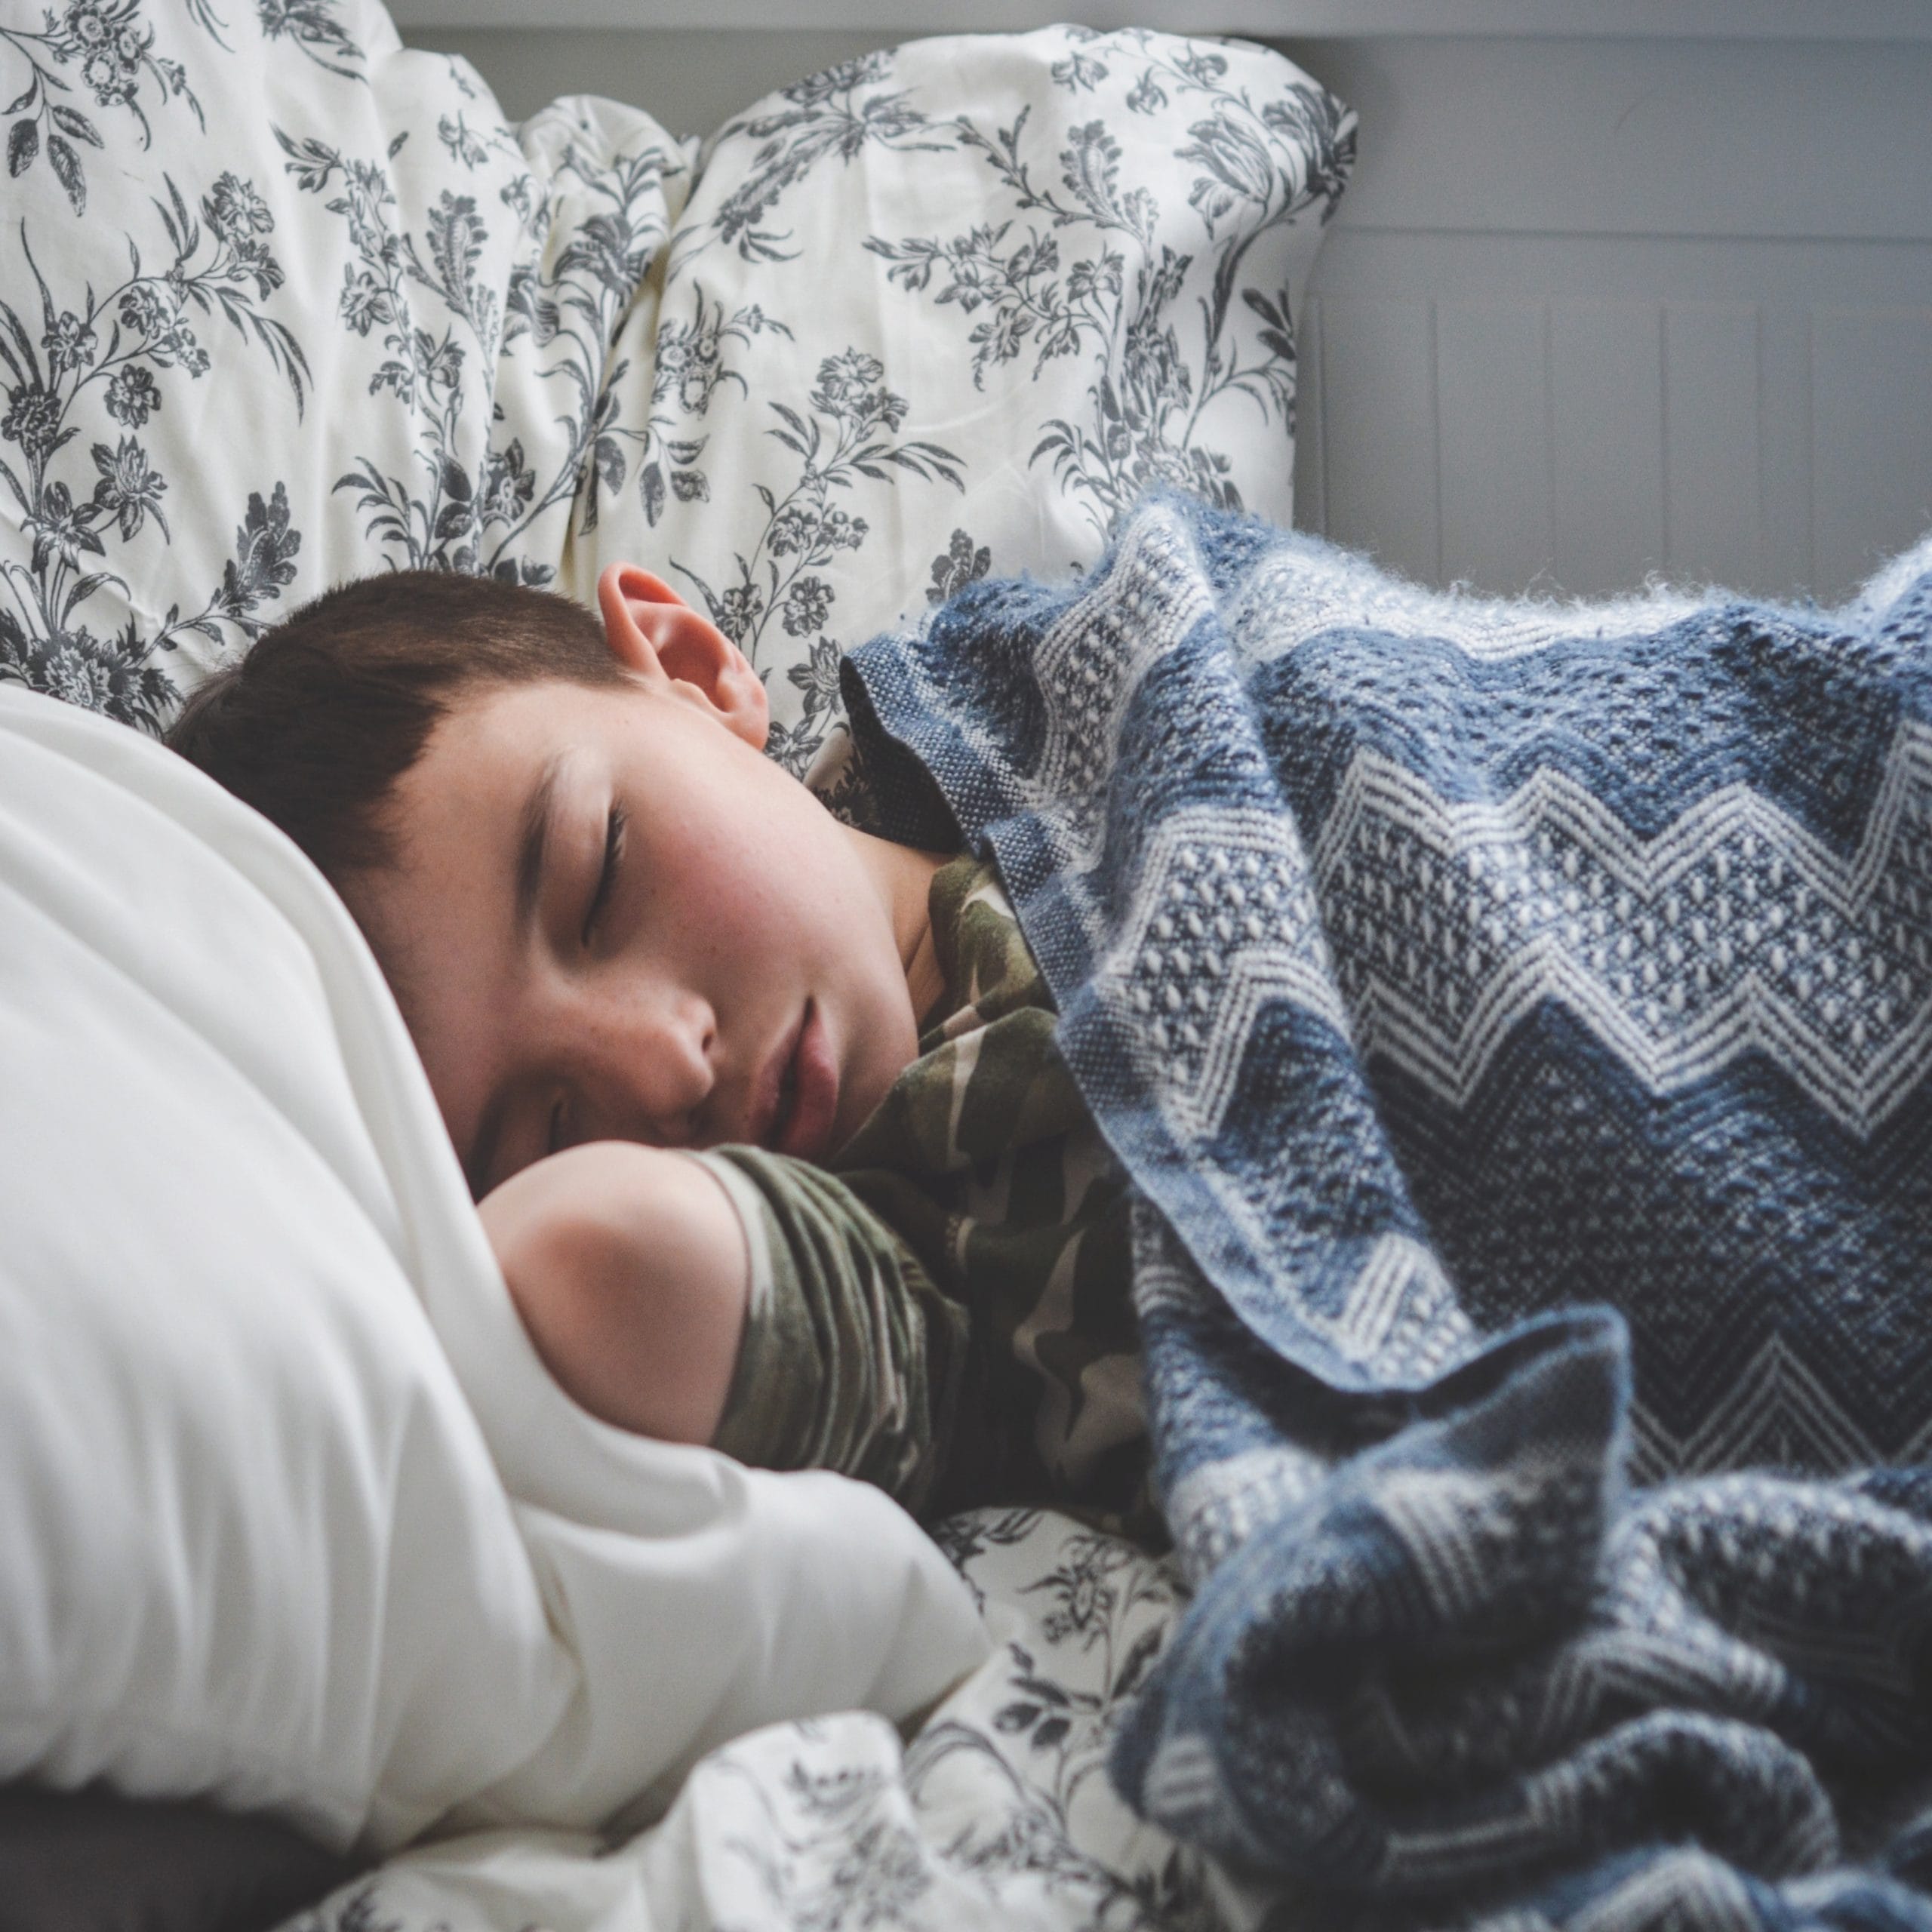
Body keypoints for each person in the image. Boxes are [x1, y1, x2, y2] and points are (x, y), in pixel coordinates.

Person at [167, 565, 1148, 1527]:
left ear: (695, 669)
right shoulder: (910, 1291)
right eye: (550, 1137)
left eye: (603, 874)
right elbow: (608, 1266)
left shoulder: (1139, 716)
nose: (663, 1066)